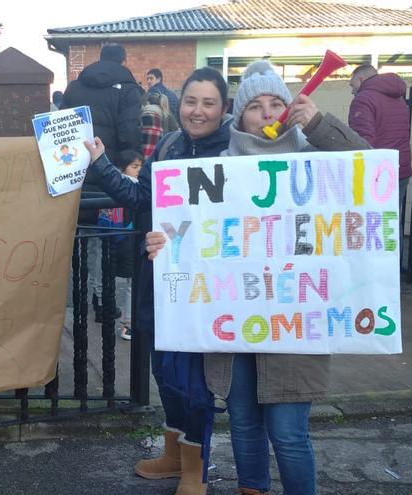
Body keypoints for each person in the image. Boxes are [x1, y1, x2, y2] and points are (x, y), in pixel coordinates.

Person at [145, 60, 370, 495]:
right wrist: (164, 243)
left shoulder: (312, 157)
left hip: (293, 322)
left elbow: (368, 165)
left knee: (287, 432)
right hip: (235, 318)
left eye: (276, 104)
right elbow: (192, 229)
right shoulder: (220, 165)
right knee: (244, 423)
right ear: (240, 115)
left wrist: (321, 124)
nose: (267, 114)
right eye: (256, 106)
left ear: (289, 110)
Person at [84, 67, 233, 495]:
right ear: (179, 103)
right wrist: (100, 161)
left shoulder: (233, 154)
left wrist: (182, 236)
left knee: (193, 382)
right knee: (165, 373)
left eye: (208, 103)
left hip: (204, 289)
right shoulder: (168, 144)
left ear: (223, 109)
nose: (197, 111)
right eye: (191, 101)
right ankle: (173, 455)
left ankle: (195, 469)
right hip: (160, 278)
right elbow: (139, 198)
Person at [62, 43, 143, 318]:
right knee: (106, 239)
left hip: (73, 170)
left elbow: (59, 124)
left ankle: (79, 298)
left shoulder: (74, 87)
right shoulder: (129, 90)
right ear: (123, 60)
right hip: (108, 173)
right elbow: (129, 132)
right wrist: (127, 167)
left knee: (81, 237)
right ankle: (102, 301)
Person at [348, 64, 412, 211]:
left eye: (352, 85)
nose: (352, 91)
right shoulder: (398, 98)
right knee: (392, 223)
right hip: (401, 168)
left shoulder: (363, 99)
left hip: (378, 172)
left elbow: (363, 141)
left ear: (361, 79)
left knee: (374, 223)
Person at [94, 149, 143, 341]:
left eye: (140, 166)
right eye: (134, 166)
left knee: (106, 276)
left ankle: (104, 308)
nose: (139, 170)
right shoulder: (135, 188)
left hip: (112, 238)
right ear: (123, 168)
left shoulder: (111, 186)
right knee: (133, 283)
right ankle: (128, 324)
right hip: (129, 241)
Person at [141, 92, 178, 160]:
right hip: (162, 149)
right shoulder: (167, 113)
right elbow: (175, 129)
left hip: (144, 152)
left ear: (148, 102)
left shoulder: (144, 113)